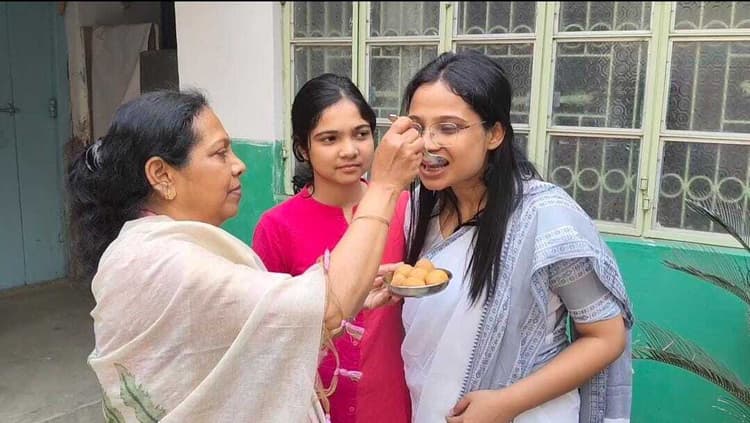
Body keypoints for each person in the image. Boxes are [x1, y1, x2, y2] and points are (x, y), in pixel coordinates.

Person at [66, 89, 424, 422]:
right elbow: (329, 304)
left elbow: (253, 335)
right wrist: (385, 186)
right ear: (162, 174)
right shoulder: (161, 261)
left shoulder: (158, 250)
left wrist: (336, 301)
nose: (239, 165)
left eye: (360, 134)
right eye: (220, 153)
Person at [397, 51, 633, 423]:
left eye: (448, 128)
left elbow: (606, 336)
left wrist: (507, 403)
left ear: (494, 134)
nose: (427, 143)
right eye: (417, 127)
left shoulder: (547, 220)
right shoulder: (417, 210)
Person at [252, 73, 411, 423]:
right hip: (313, 405)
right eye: (329, 138)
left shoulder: (403, 209)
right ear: (302, 148)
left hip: (391, 400)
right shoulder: (277, 226)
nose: (349, 150)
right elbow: (268, 331)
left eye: (361, 134)